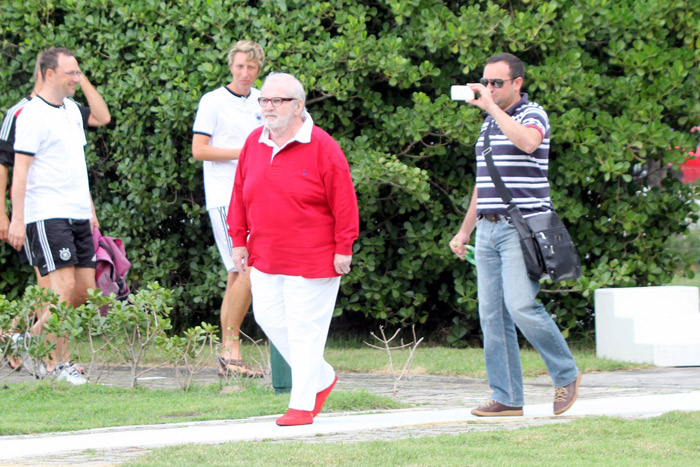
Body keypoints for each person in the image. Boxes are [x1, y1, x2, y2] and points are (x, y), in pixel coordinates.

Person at [449, 53, 581, 416]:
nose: (489, 89)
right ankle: (507, 397)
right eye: (486, 82)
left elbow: (528, 143)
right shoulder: (489, 126)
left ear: (517, 84)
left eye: (497, 83)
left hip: (520, 229)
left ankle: (566, 373)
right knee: (491, 315)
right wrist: (464, 232)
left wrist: (492, 108)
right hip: (488, 230)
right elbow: (484, 182)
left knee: (521, 304)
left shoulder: (531, 113)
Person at [228, 72, 359, 426]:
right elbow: (240, 191)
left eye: (278, 101)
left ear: (298, 106)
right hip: (266, 252)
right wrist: (238, 238)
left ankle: (301, 405)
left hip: (314, 255)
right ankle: (321, 376)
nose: (268, 107)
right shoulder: (255, 141)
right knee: (267, 317)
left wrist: (343, 246)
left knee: (304, 329)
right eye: (264, 101)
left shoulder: (322, 146)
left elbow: (344, 201)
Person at [7, 47, 111, 384]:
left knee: (83, 293)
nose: (76, 78)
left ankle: (24, 340)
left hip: (78, 214)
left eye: (78, 71)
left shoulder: (70, 110)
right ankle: (58, 364)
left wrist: (90, 211)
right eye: (70, 73)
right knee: (62, 289)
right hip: (47, 214)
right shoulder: (31, 115)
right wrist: (17, 219)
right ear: (49, 73)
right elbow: (19, 172)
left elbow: (101, 117)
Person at [191, 40, 265, 377]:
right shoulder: (213, 101)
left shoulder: (265, 100)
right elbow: (199, 150)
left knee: (237, 274)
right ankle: (230, 351)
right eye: (239, 66)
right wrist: (243, 152)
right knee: (245, 269)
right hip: (225, 198)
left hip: (259, 196)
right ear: (230, 66)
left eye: (251, 67)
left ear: (258, 68)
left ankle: (228, 355)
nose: (245, 73)